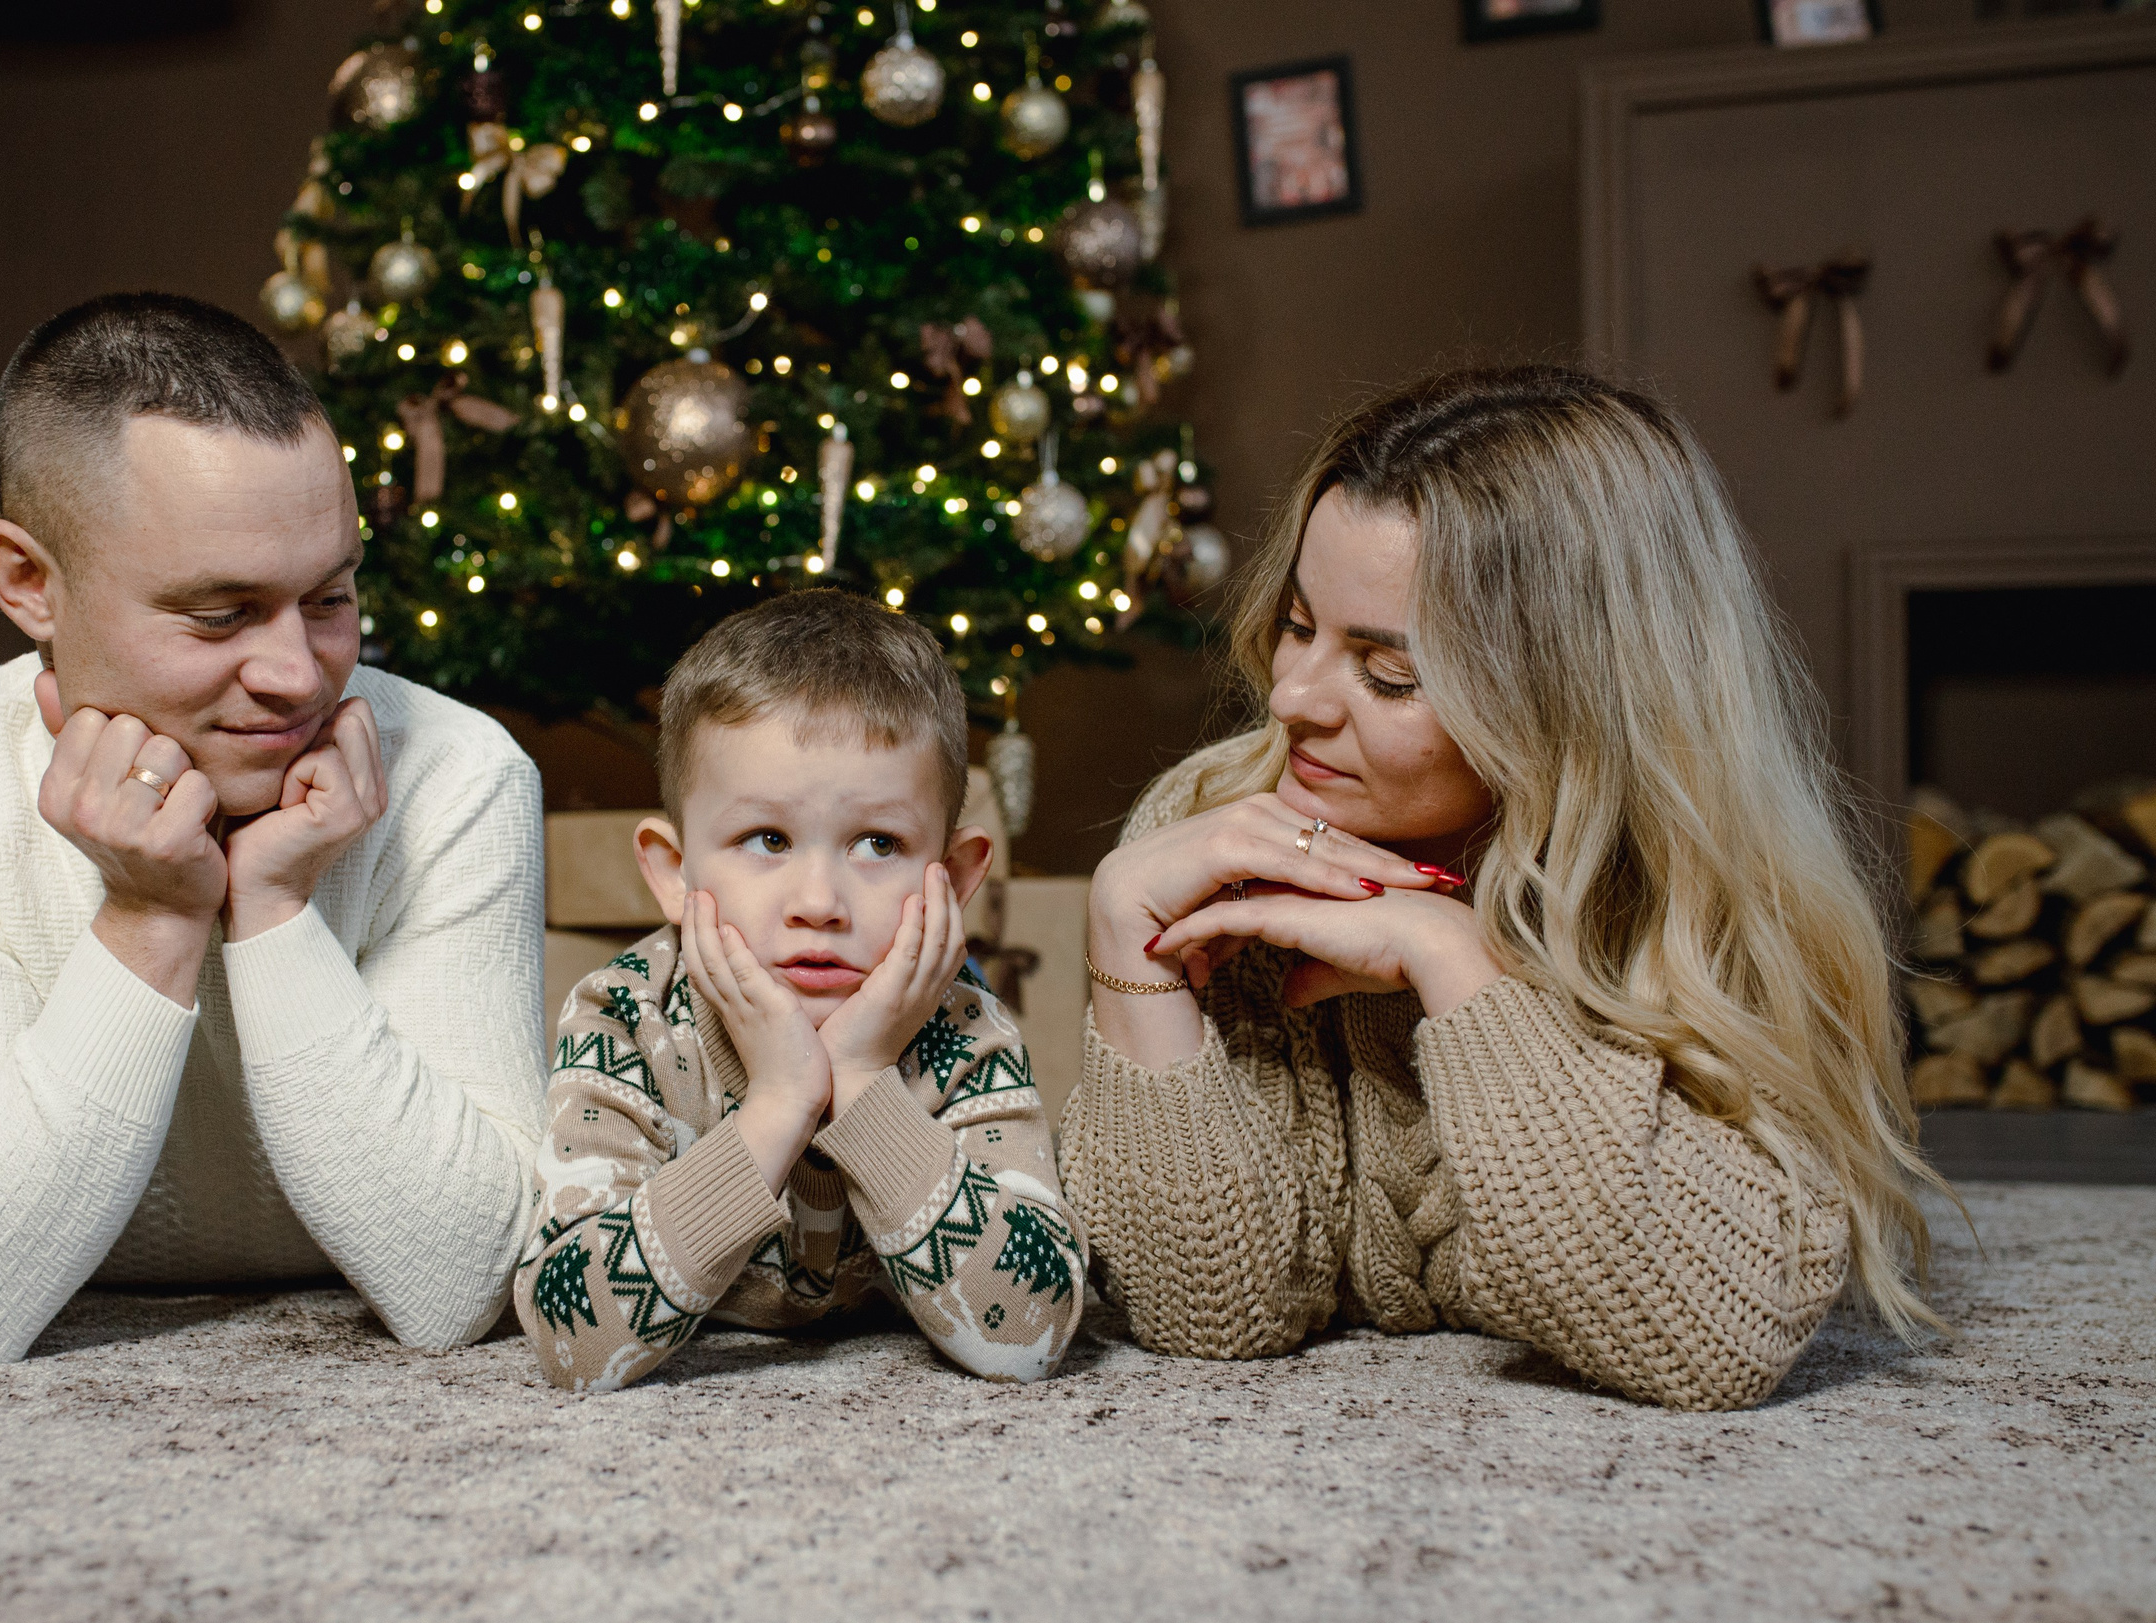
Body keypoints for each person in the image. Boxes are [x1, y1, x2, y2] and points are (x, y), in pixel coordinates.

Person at [1062, 366, 1943, 1412]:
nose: (1291, 698)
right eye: (1297, 624)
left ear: (1571, 698)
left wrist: (1456, 959)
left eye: (1386, 673)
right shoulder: (1216, 825)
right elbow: (1211, 1309)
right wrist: (1126, 947)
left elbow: (1713, 1338)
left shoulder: (1703, 897)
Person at [0, 293, 545, 1366]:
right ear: (28, 582)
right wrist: (152, 916)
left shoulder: (460, 769)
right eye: (219, 613)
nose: (298, 674)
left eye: (332, 596)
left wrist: (279, 911)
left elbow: (460, 1281)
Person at [513, 591, 1085, 1392]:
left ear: (951, 879)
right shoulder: (625, 1018)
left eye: (878, 843)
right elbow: (567, 1342)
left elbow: (1034, 1331)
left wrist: (859, 1078)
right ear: (675, 874)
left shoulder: (965, 1030)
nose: (819, 900)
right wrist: (779, 1102)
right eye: (768, 840)